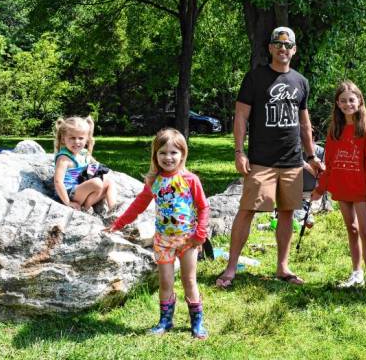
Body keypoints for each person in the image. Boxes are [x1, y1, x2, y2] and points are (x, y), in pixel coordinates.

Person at [215, 26, 324, 288]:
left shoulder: (301, 82)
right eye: (278, 44)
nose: (283, 49)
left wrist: (310, 156)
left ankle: (283, 267)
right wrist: (239, 151)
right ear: (270, 48)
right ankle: (231, 268)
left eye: (288, 45)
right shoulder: (255, 78)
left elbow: (305, 124)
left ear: (294, 50)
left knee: (287, 212)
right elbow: (241, 116)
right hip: (260, 160)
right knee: (247, 210)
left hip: (291, 160)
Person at [104, 128, 209, 339]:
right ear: (155, 155)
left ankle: (197, 322)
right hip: (163, 241)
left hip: (188, 240)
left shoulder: (190, 179)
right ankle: (165, 320)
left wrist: (200, 234)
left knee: (189, 280)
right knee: (165, 282)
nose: (168, 158)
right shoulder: (154, 182)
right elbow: (138, 206)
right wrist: (118, 223)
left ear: (183, 154)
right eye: (163, 153)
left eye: (173, 153)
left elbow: (203, 207)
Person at [310, 80, 366, 293]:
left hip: (361, 190)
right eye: (342, 101)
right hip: (343, 188)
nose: (347, 104)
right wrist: (320, 188)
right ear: (337, 103)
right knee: (351, 229)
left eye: (351, 100)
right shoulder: (336, 129)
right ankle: (356, 272)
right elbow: (330, 163)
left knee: (365, 231)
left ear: (359, 101)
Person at [53, 116, 116, 212]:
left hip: (82, 190)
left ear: (87, 139)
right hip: (69, 193)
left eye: (81, 138)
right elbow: (58, 182)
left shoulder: (83, 153)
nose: (77, 141)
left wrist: (94, 168)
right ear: (63, 139)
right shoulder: (64, 158)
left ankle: (113, 209)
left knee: (109, 182)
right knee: (97, 182)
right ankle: (85, 208)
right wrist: (67, 202)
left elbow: (94, 165)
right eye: (72, 138)